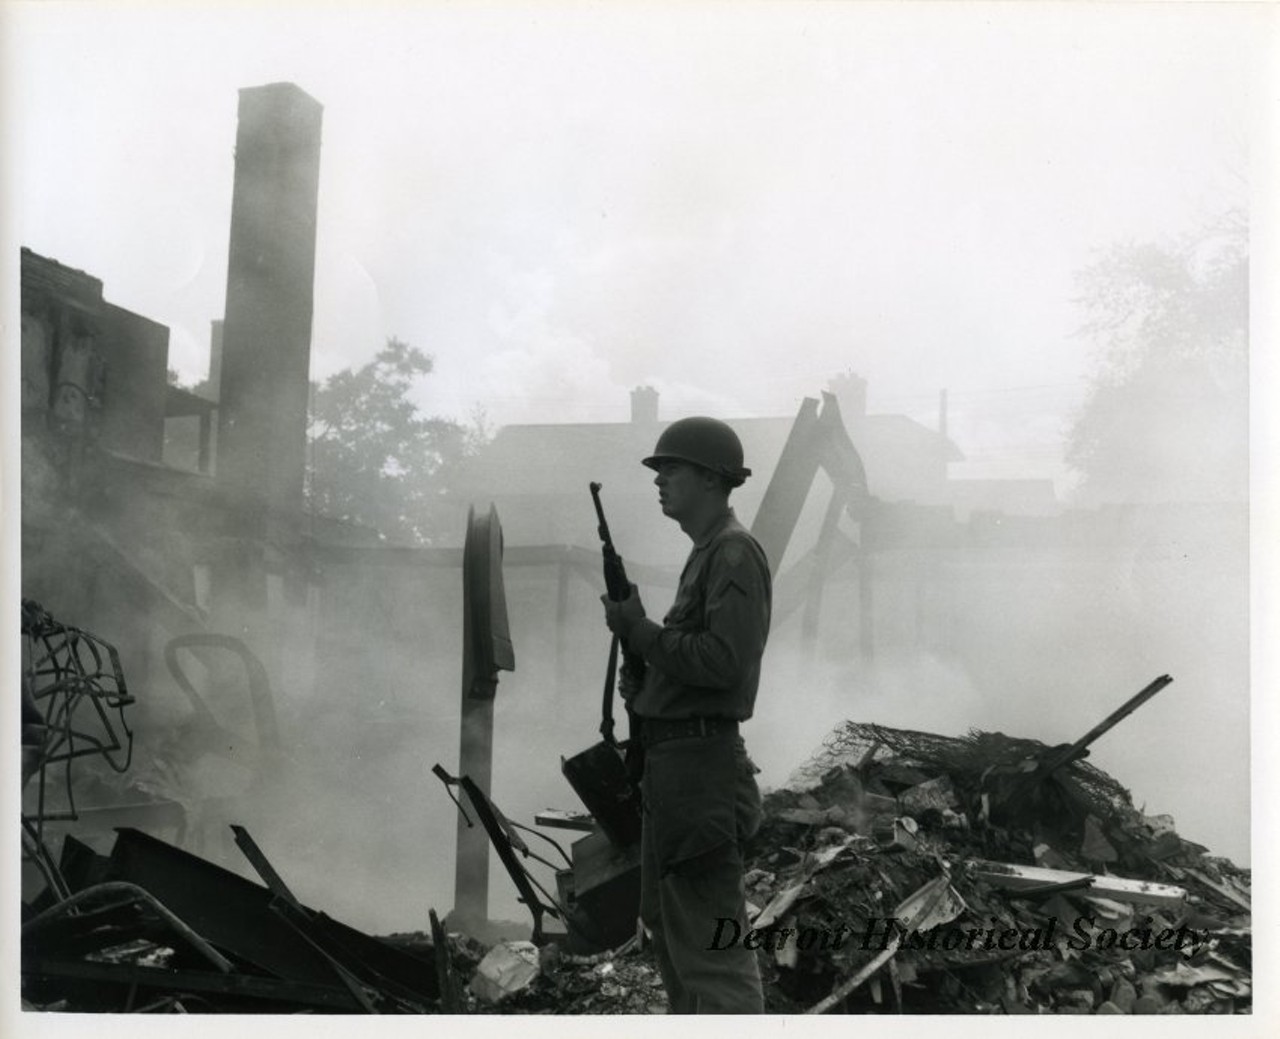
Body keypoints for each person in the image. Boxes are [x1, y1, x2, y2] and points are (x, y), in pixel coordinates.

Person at [600, 416, 771, 1014]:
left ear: (709, 478)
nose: (660, 480)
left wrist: (642, 633)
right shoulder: (706, 554)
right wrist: (645, 683)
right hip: (676, 773)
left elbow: (723, 663)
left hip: (700, 774)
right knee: (670, 931)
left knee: (709, 948)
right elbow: (691, 667)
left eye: (670, 469)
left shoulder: (733, 553)